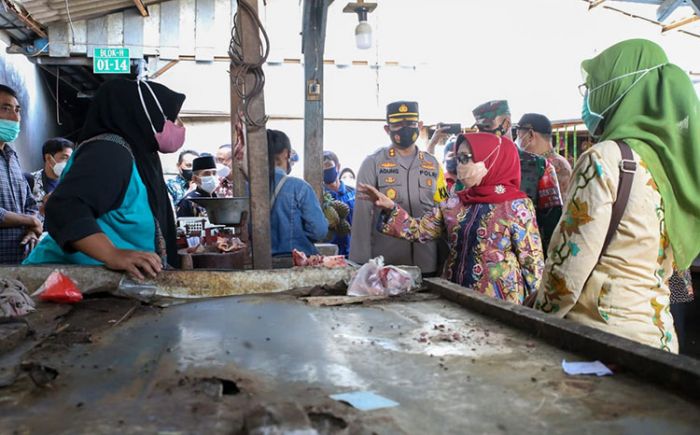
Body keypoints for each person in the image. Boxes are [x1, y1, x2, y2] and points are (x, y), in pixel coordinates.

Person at [533, 39, 700, 353]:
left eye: (592, 86)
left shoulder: (605, 158)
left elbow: (567, 271)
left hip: (602, 342)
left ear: (619, 88)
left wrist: (534, 324)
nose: (589, 97)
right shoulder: (671, 165)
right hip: (660, 338)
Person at [24, 79, 186, 279]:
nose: (177, 126)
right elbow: (65, 206)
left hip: (96, 284)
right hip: (65, 282)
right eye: (172, 117)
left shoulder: (138, 155)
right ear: (146, 114)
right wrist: (112, 254)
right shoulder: (109, 151)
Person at [360, 132, 543, 303]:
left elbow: (532, 264)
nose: (460, 165)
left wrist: (534, 312)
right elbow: (419, 230)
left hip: (500, 303)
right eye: (458, 158)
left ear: (492, 159)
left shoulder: (516, 206)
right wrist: (390, 207)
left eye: (466, 158)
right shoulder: (455, 202)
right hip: (455, 296)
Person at [349, 101, 448, 275]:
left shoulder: (433, 164)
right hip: (388, 266)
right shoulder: (373, 163)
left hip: (427, 264)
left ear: (419, 125)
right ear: (387, 129)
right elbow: (362, 218)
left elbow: (445, 209)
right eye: (398, 124)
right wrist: (360, 266)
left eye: (410, 123)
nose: (405, 128)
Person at [473, 100, 563, 254]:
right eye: (479, 128)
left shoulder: (539, 166)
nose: (482, 134)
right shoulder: (472, 166)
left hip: (525, 263)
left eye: (487, 127)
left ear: (506, 124)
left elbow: (552, 224)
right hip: (478, 261)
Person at [268, 129, 328, 256]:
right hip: (296, 263)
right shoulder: (299, 187)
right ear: (286, 154)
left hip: (261, 262)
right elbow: (319, 231)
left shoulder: (249, 188)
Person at [0, 84, 41, 263]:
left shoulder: (11, 157)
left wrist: (33, 229)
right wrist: (29, 221)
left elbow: (30, 204)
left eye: (17, 110)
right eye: (5, 108)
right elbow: (30, 217)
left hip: (18, 263)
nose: (15, 117)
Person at [515, 113, 573, 202]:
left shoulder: (556, 165)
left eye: (519, 134)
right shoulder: (544, 162)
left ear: (531, 134)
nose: (517, 140)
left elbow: (559, 209)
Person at [323, 151, 356, 257]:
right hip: (331, 254)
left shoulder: (353, 193)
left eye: (328, 165)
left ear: (338, 167)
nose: (325, 170)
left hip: (353, 252)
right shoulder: (320, 197)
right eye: (321, 167)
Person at [31, 137, 74, 207]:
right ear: (48, 158)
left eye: (70, 159)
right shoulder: (29, 180)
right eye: (64, 158)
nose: (69, 163)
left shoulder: (71, 185)